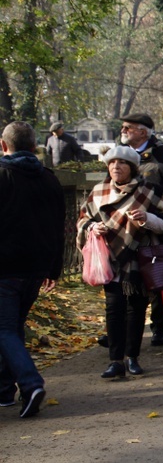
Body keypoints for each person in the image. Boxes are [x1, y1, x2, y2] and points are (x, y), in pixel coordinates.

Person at [77, 146, 163, 378]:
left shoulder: (149, 191)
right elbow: (83, 220)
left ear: (132, 167)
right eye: (111, 163)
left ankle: (132, 357)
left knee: (136, 309)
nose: (115, 167)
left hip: (140, 259)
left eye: (121, 163)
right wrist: (93, 227)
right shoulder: (99, 191)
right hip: (109, 258)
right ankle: (115, 361)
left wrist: (148, 218)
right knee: (113, 309)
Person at [0, 121, 64, 418]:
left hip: (6, 266)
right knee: (11, 328)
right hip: (36, 266)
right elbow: (58, 226)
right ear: (36, 147)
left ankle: (29, 382)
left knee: (4, 328)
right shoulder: (48, 179)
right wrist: (54, 267)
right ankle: (4, 389)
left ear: (4, 146)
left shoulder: (3, 175)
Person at [119, 113, 163, 346]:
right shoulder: (121, 154)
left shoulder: (160, 155)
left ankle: (159, 326)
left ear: (143, 132)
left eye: (129, 127)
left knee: (156, 277)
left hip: (155, 226)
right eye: (123, 127)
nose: (124, 130)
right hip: (125, 229)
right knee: (125, 278)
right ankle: (121, 329)